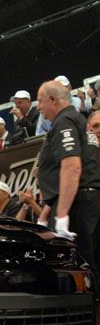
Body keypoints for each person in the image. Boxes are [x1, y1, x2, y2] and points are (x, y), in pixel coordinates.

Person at [36, 80, 100, 281]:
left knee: (84, 269)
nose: (38, 107)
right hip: (84, 200)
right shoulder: (78, 119)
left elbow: (72, 167)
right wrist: (48, 210)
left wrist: (62, 215)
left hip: (78, 206)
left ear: (53, 100)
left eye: (39, 101)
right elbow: (61, 174)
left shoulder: (64, 121)